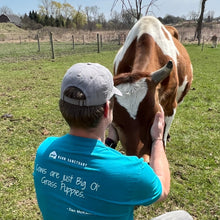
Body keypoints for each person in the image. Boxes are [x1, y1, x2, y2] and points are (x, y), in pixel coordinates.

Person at [33, 62, 193, 220]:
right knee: (182, 216)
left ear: (62, 107)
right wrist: (158, 138)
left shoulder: (45, 150)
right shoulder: (132, 171)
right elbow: (162, 189)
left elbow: (86, 166)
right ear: (107, 110)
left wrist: (109, 141)